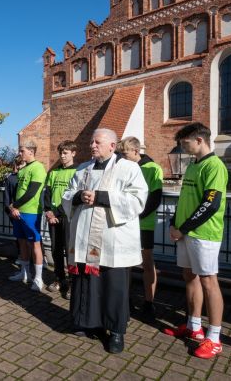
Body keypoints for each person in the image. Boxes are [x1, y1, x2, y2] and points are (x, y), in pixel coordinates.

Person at [62, 128, 148, 354]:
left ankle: (116, 331)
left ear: (112, 145)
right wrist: (79, 196)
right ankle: (88, 322)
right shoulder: (82, 169)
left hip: (113, 242)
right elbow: (67, 195)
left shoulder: (129, 168)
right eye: (91, 142)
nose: (92, 145)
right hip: (85, 239)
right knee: (87, 282)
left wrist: (102, 197)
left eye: (97, 142)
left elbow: (138, 199)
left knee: (114, 287)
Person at [163, 123, 228, 359]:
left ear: (199, 140)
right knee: (189, 277)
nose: (182, 146)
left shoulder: (215, 166)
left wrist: (185, 228)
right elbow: (185, 198)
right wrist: (173, 222)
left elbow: (210, 204)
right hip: (185, 233)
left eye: (185, 142)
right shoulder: (193, 165)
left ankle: (215, 337)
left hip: (204, 234)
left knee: (209, 281)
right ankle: (194, 326)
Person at [117, 137, 162, 318]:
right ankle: (125, 300)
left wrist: (136, 215)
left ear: (136, 151)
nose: (122, 156)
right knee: (125, 263)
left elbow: (155, 198)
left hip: (143, 223)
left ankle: (148, 302)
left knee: (147, 262)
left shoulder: (152, 168)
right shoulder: (124, 168)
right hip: (126, 223)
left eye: (125, 152)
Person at [8, 140, 47, 292]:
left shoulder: (38, 167)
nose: (20, 153)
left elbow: (32, 192)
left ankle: (38, 278)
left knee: (35, 244)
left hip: (31, 212)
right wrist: (14, 207)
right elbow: (18, 191)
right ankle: (25, 273)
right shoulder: (23, 169)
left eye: (22, 151)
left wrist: (15, 205)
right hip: (18, 212)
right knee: (22, 242)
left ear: (31, 151)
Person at [44, 141, 78, 299]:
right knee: (56, 250)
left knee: (70, 251)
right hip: (53, 217)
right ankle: (59, 279)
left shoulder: (77, 172)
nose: (63, 156)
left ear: (73, 153)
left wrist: (55, 213)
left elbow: (73, 197)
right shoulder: (53, 172)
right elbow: (47, 193)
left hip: (68, 217)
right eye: (61, 153)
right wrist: (48, 211)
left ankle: (72, 282)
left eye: (66, 153)